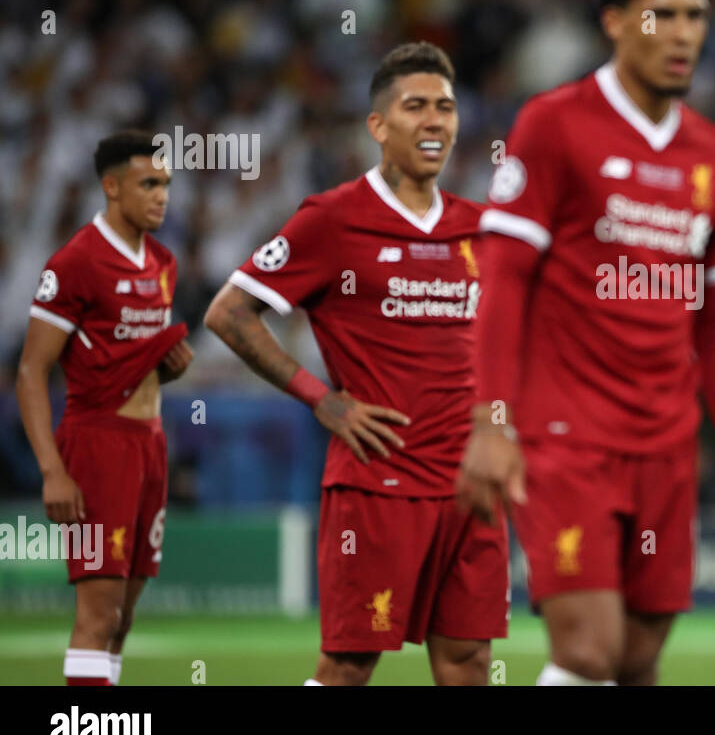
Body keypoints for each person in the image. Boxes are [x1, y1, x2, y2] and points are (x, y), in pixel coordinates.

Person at [458, 0, 715, 686]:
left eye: (696, 15)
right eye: (663, 14)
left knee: (634, 663)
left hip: (666, 442)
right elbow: (501, 280)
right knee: (587, 652)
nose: (685, 33)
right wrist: (490, 422)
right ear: (615, 21)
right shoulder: (554, 124)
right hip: (565, 435)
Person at [204, 42, 506, 686]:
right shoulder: (333, 219)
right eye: (416, 106)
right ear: (378, 126)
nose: (435, 121)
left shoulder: (480, 229)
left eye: (446, 108)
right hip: (380, 478)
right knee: (348, 664)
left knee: (470, 661)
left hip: (470, 485)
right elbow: (228, 313)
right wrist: (322, 398)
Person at [16, 129, 193, 686]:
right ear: (111, 187)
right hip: (95, 445)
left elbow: (125, 354)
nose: (161, 195)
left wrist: (166, 366)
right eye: (148, 184)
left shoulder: (163, 262)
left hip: (150, 444)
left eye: (165, 183)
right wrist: (53, 470)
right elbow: (29, 371)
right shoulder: (75, 262)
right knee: (96, 615)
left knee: (123, 618)